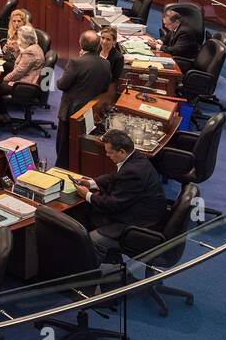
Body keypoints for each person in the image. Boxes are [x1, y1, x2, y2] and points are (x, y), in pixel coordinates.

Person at [74, 130, 166, 262]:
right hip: (142, 211)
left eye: (109, 152)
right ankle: (114, 262)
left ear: (122, 151)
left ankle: (94, 276)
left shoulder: (133, 172)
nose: (107, 155)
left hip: (140, 224)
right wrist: (90, 183)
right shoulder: (136, 158)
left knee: (93, 239)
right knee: (93, 215)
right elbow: (116, 177)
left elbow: (113, 204)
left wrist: (87, 195)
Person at [55, 31, 114, 166]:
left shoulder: (76, 62)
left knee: (63, 147)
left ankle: (60, 169)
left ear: (81, 44)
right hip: (91, 112)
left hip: (71, 112)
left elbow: (61, 85)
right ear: (98, 45)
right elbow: (105, 88)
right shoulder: (106, 64)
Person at [0, 26, 44, 118]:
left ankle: (1, 114)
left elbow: (18, 72)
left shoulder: (30, 52)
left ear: (25, 40)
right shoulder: (34, 47)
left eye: (19, 39)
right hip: (25, 78)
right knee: (1, 74)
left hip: (24, 84)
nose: (18, 41)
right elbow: (20, 63)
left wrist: (4, 79)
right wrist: (15, 50)